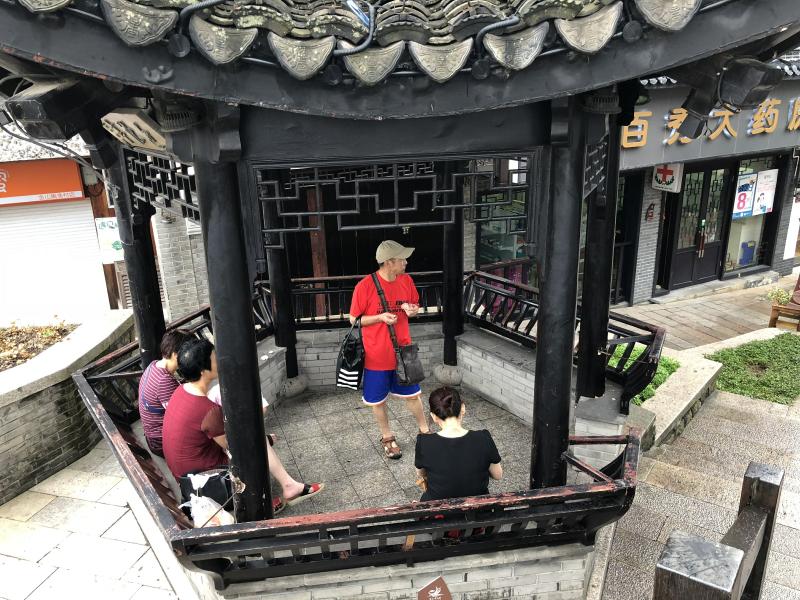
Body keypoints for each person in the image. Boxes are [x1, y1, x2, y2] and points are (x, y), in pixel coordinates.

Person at [162, 338, 323, 511]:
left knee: (256, 439)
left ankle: (288, 485)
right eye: (214, 357)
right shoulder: (208, 410)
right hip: (205, 484)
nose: (218, 361)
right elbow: (234, 447)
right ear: (203, 370)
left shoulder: (180, 391)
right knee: (254, 444)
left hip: (185, 477)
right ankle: (260, 502)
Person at [349, 240, 430, 459]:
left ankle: (425, 431)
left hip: (404, 352)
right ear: (389, 262)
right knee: (378, 400)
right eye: (402, 259)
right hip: (376, 355)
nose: (406, 262)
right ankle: (387, 437)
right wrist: (379, 318)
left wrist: (412, 310)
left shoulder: (406, 280)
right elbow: (354, 319)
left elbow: (414, 304)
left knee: (413, 395)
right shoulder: (364, 286)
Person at [207, 383, 323, 510]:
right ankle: (260, 501)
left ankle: (284, 486)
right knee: (257, 441)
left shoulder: (206, 393)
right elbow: (260, 410)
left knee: (257, 439)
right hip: (210, 471)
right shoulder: (220, 389)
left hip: (208, 458)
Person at [414, 387, 502, 501]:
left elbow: (421, 474)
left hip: (438, 510)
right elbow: (498, 475)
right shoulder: (483, 438)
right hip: (478, 508)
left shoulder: (424, 442)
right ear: (463, 408)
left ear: (434, 416)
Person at [138, 329, 191, 457]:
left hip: (152, 437)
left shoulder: (153, 365)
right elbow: (184, 418)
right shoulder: (165, 381)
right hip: (161, 442)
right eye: (190, 352)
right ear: (176, 354)